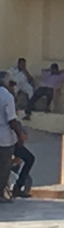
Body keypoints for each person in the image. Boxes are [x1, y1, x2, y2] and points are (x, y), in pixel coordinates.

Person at [0, 72, 26, 202]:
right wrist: (20, 135)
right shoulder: (6, 96)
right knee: (4, 168)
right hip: (4, 139)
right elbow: (12, 121)